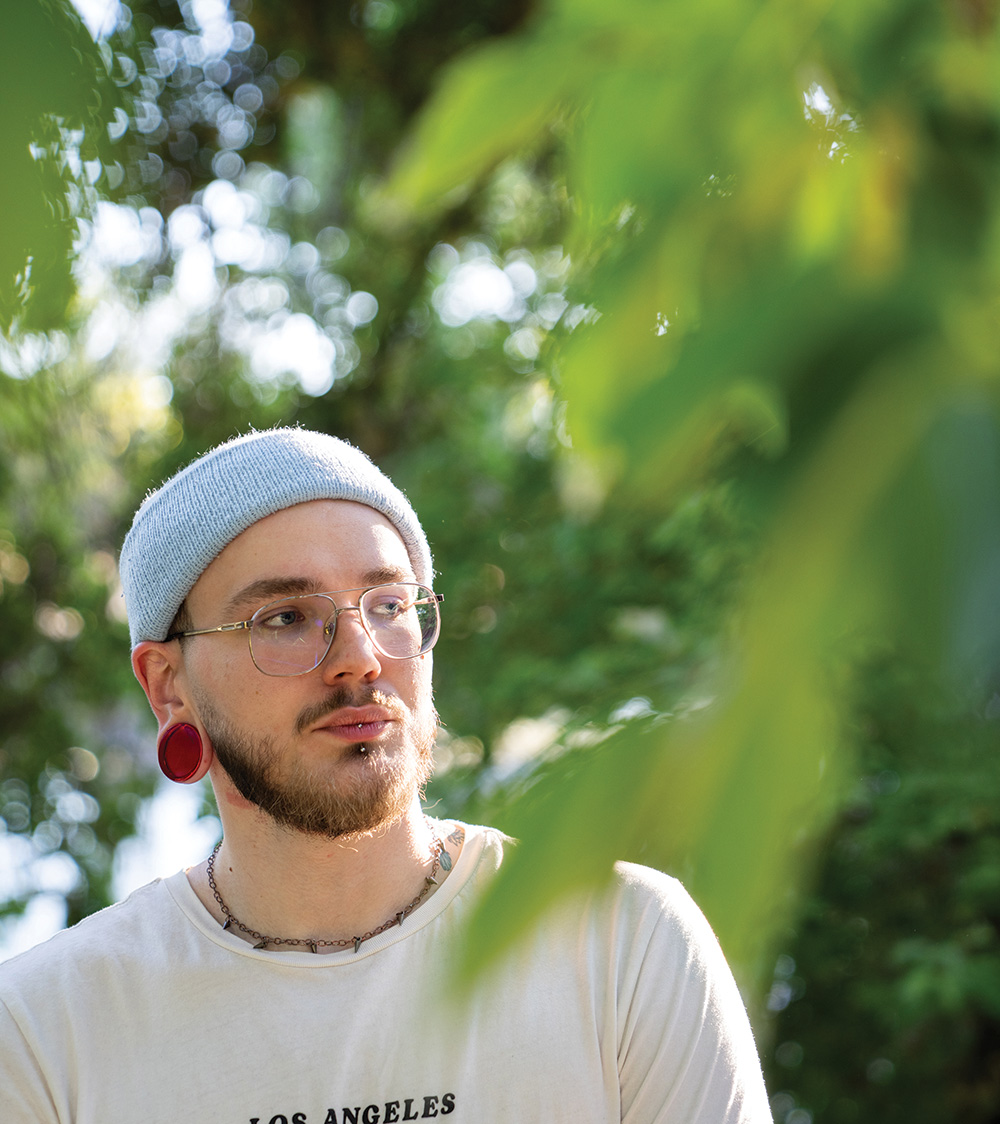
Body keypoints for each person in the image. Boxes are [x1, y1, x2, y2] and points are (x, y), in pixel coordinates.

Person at [0, 427, 773, 1123]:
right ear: (169, 685)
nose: (361, 656)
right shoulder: (43, 1032)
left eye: (390, 603)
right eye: (285, 618)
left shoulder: (620, 944)